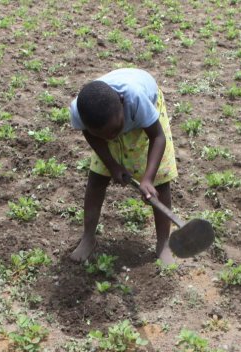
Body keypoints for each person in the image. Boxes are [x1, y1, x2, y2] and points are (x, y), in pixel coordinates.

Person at [68, 69, 179, 265]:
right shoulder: (80, 113)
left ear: (121, 101)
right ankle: (88, 237)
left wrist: (147, 179)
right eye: (106, 135)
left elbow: (158, 137)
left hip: (146, 122)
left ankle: (163, 243)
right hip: (109, 120)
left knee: (161, 184)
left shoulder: (136, 99)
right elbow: (90, 134)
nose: (112, 137)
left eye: (116, 130)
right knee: (96, 179)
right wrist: (112, 165)